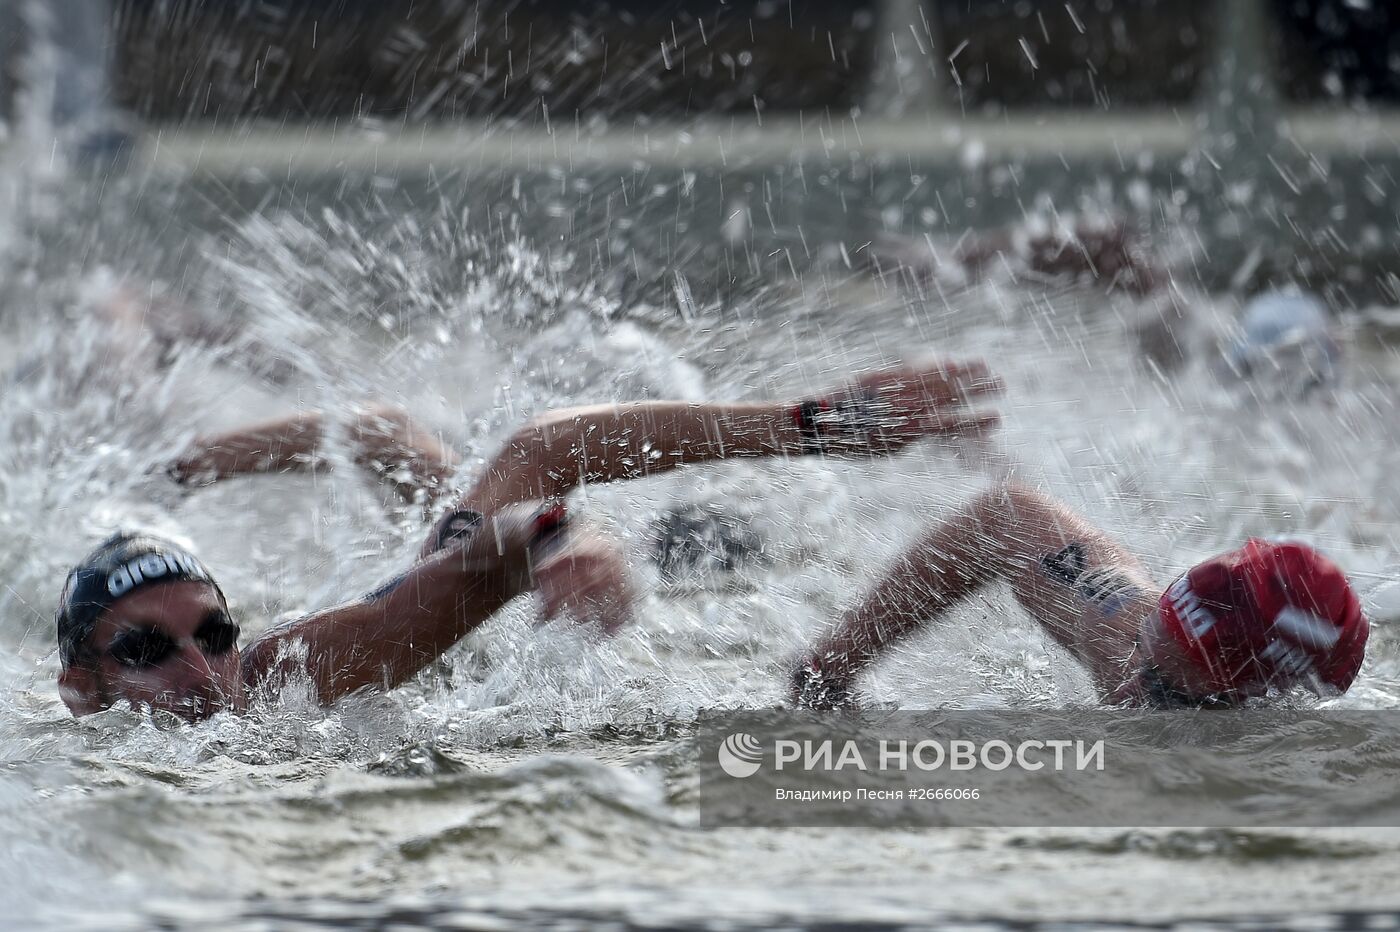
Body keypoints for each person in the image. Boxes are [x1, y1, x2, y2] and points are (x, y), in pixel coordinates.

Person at [56, 359, 1004, 721]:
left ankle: (175, 467)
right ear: (82, 688)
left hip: (651, 559)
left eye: (213, 635)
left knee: (422, 458)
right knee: (404, 449)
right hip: (524, 549)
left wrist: (814, 424)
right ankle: (175, 468)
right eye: (145, 651)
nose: (200, 671)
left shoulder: (288, 676)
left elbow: (546, 462)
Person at [791, 483, 1369, 709]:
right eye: (1156, 627)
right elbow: (1005, 515)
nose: (1139, 657)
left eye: (1166, 671)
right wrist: (833, 667)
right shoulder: (1123, 626)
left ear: (1246, 690)